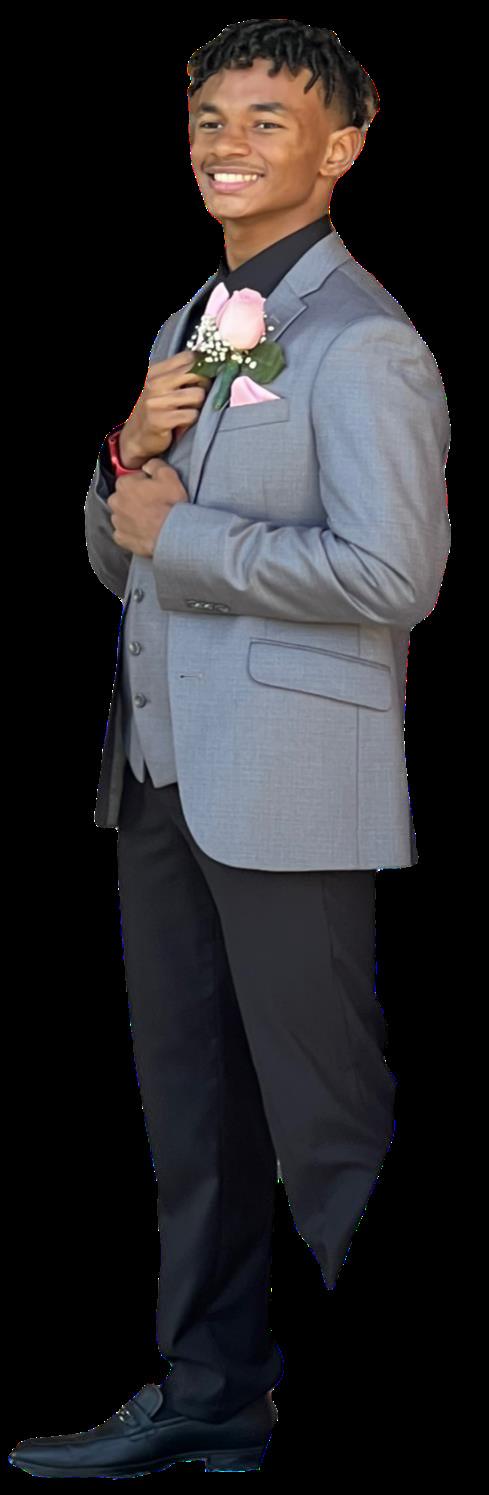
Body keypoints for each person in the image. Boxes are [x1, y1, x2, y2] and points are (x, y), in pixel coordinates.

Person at [10, 16, 450, 1478]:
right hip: (158, 774)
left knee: (330, 1128)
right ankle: (209, 1393)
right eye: (210, 118)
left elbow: (394, 577)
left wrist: (183, 531)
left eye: (269, 120)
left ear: (342, 148)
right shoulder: (190, 326)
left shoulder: (365, 342)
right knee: (194, 1114)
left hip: (286, 784)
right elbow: (124, 558)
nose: (228, 145)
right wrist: (124, 465)